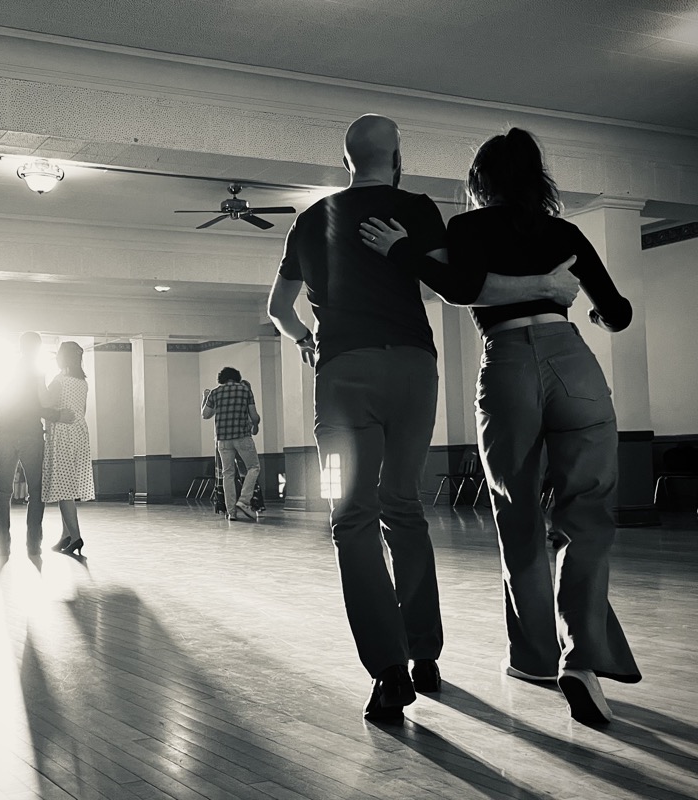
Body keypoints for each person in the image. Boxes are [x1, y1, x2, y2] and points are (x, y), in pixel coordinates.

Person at [268, 114, 580, 724]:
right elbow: (448, 284)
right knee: (403, 509)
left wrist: (305, 335)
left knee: (350, 519)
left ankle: (388, 674)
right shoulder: (416, 207)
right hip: (413, 369)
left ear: (347, 157)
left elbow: (278, 307)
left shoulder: (310, 220)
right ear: (397, 156)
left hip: (341, 379)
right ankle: (425, 655)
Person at [362, 126, 641, 725]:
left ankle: (537, 657)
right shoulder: (567, 233)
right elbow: (616, 313)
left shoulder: (468, 228)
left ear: (481, 181)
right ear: (537, 177)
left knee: (518, 514)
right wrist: (590, 307)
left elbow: (462, 290)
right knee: (588, 516)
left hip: (509, 363)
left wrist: (401, 251)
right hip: (574, 364)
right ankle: (583, 658)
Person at [0, 331, 74, 558]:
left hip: (6, 433)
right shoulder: (37, 371)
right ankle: (33, 544)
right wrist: (58, 415)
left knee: (2, 491)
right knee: (36, 491)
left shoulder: (6, 369)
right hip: (30, 433)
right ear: (37, 348)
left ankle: (3, 544)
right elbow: (35, 405)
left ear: (20, 346)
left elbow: (9, 402)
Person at [43, 341, 95, 556]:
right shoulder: (82, 383)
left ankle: (75, 536)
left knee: (64, 489)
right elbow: (81, 409)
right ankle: (66, 534)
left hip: (63, 432)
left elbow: (47, 407)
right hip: (79, 432)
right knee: (68, 486)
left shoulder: (59, 381)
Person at [201, 367, 261, 521]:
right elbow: (254, 415)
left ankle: (231, 513)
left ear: (221, 378)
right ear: (237, 377)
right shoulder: (244, 390)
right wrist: (255, 424)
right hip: (242, 436)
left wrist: (205, 398)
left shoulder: (215, 393)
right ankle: (244, 500)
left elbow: (205, 415)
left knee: (227, 474)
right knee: (253, 468)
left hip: (222, 439)